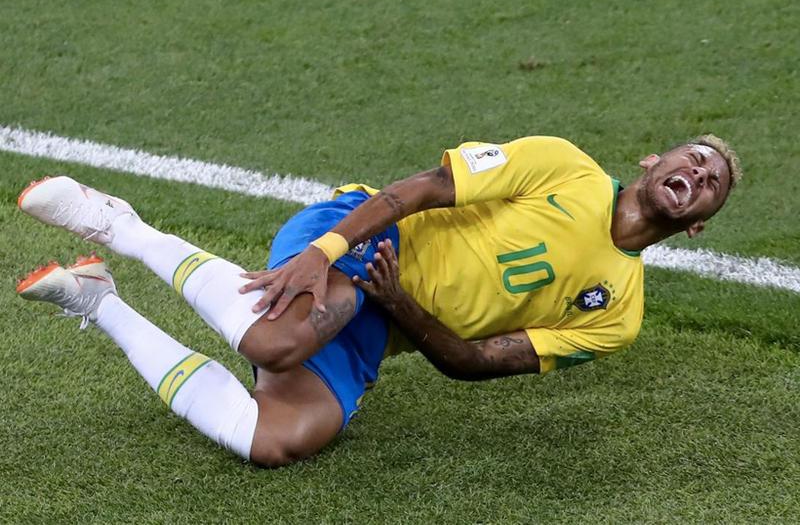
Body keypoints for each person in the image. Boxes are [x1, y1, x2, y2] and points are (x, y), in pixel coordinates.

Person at [16, 135, 741, 467]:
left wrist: (399, 305)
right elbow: (423, 187)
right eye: (695, 156)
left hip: (386, 313)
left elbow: (476, 361)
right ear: (655, 160)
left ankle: (99, 301)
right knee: (275, 343)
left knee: (275, 440)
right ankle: (120, 226)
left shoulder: (617, 313)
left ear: (699, 222)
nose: (700, 172)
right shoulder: (566, 167)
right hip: (364, 236)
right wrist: (324, 250)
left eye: (713, 182)